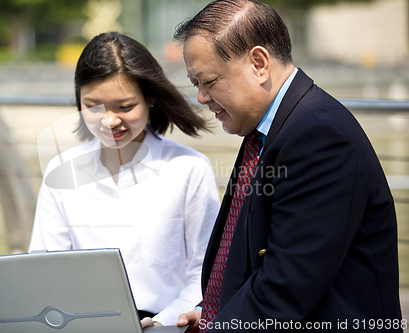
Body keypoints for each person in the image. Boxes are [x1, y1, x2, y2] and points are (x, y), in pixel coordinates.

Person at [173, 1, 403, 332]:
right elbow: (251, 255)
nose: (201, 97)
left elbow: (286, 284)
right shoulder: (272, 129)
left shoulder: (318, 136)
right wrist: (211, 310)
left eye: (207, 81)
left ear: (259, 63)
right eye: (195, 83)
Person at [29, 32, 220, 327]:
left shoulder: (189, 169)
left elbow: (205, 271)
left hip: (166, 325)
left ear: (151, 98)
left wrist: (164, 321)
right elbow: (43, 268)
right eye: (93, 106)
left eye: (125, 106)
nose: (109, 121)